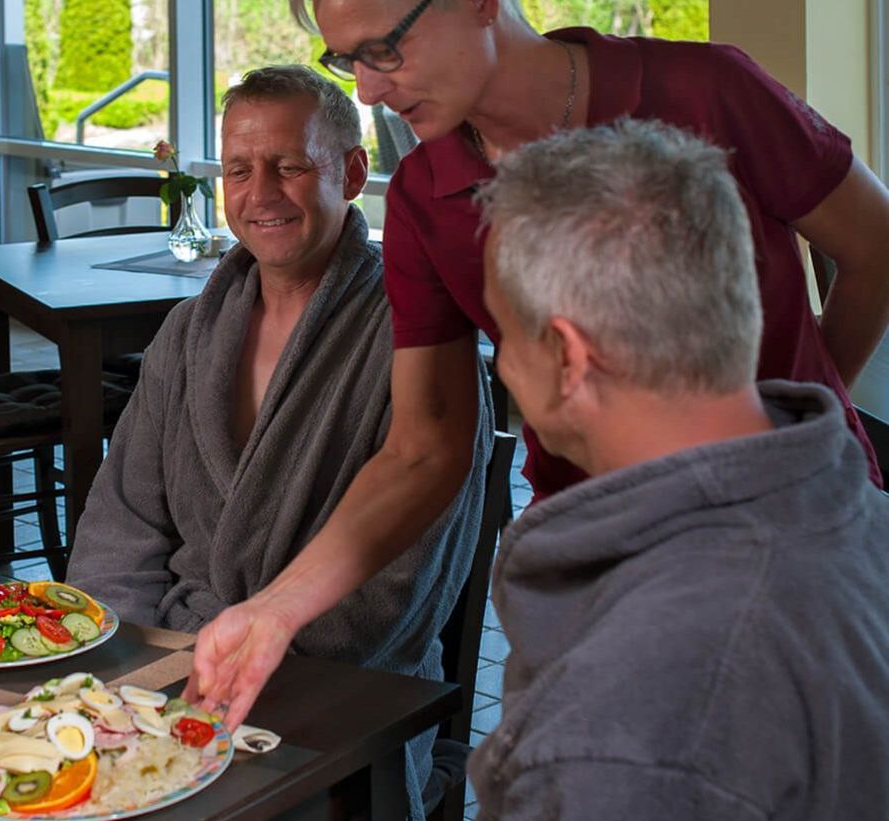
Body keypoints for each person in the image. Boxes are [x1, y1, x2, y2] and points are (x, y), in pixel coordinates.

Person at [185, 0, 889, 735]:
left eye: (385, 50)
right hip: (595, 565)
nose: (366, 89)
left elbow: (874, 247)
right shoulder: (427, 197)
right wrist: (275, 608)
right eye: (346, 60)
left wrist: (789, 440)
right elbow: (424, 446)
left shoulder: (707, 90)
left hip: (805, 547)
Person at [67, 64, 491, 821]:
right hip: (174, 672)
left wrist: (251, 662)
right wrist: (124, 672)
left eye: (290, 167)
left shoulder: (417, 341)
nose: (260, 193)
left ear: (353, 173)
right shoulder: (189, 335)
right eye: (239, 168)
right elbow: (119, 523)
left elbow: (406, 584)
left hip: (341, 695)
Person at [465, 118, 889, 821]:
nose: (502, 365)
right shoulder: (857, 515)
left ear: (568, 357)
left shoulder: (641, 718)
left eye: (503, 334)